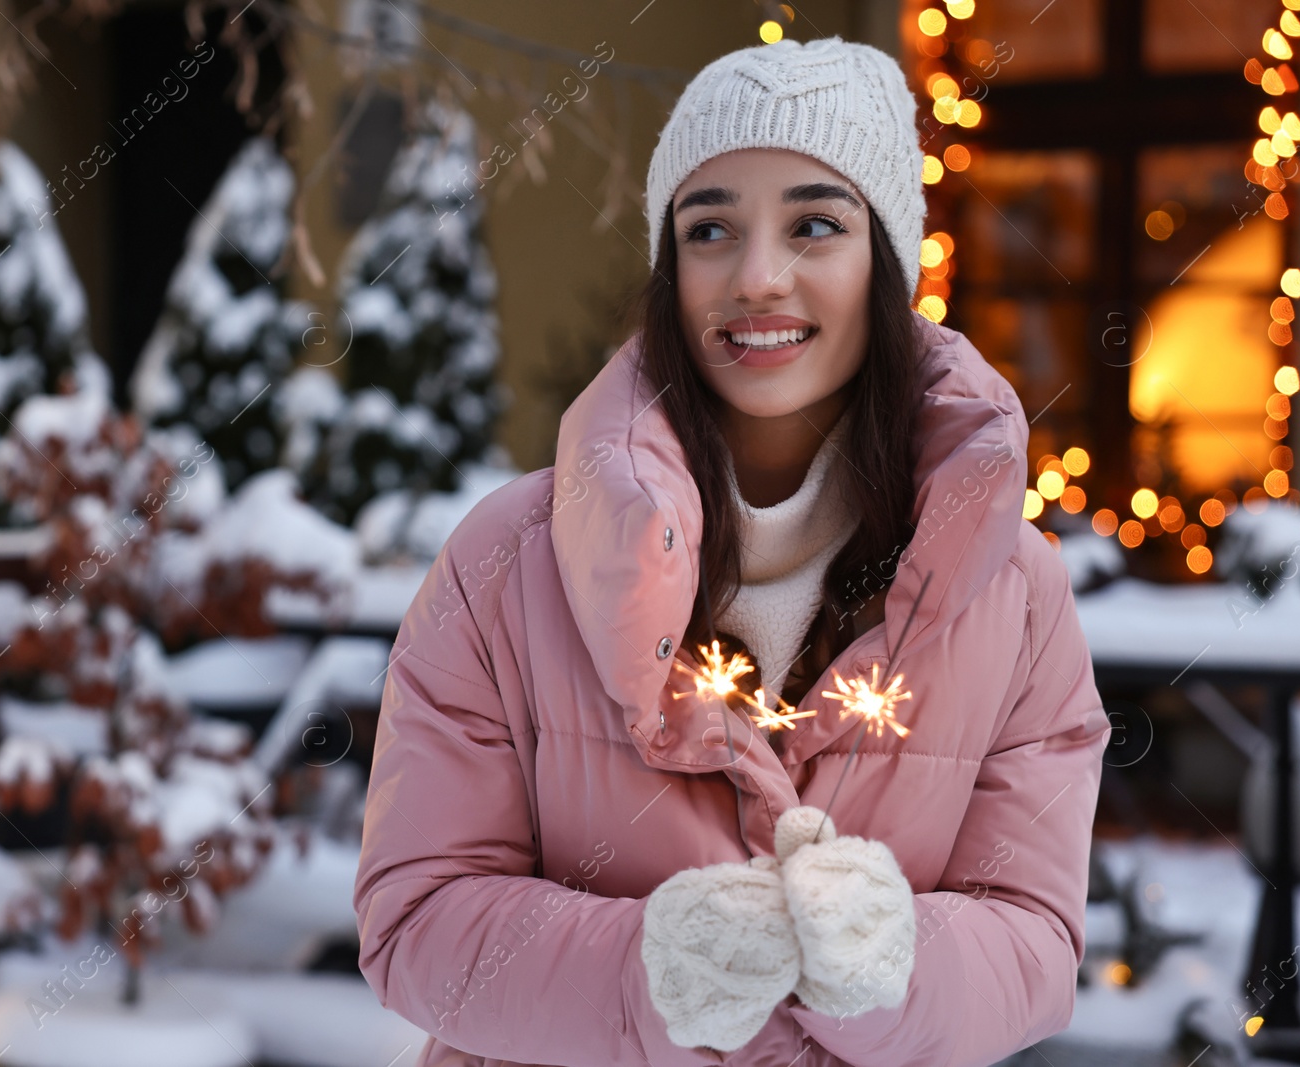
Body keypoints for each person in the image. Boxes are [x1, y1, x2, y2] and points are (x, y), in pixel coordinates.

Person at [353, 34, 1109, 1067]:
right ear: (670, 267)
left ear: (885, 261)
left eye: (813, 224)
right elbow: (415, 925)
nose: (757, 276)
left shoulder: (1013, 593)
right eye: (709, 228)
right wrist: (650, 965)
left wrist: (896, 961)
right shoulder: (507, 561)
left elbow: (1033, 944)